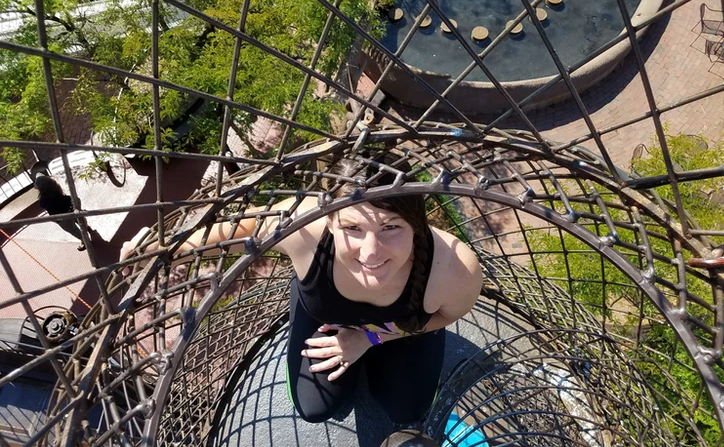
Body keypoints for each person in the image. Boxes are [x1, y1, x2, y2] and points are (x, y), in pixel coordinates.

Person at [120, 154, 482, 425]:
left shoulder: (453, 269)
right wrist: (159, 249)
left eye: (390, 228)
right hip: (327, 317)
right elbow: (239, 232)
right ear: (329, 220)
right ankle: (311, 307)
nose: (371, 253)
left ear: (417, 224)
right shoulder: (305, 230)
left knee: (408, 411)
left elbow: (445, 315)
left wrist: (369, 340)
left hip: (402, 332)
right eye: (353, 228)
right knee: (314, 408)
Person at [35, 174, 89, 251]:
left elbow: (50, 209)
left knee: (71, 228)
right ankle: (85, 226)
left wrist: (56, 219)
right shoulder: (55, 188)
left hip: (63, 215)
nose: (34, 184)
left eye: (36, 183)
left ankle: (84, 240)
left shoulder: (43, 200)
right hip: (71, 203)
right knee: (78, 217)